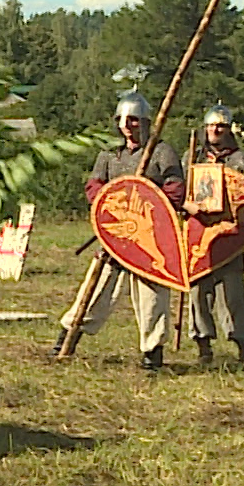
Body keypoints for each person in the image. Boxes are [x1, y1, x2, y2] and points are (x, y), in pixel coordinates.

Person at [54, 91, 185, 371]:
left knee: (151, 294)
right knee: (97, 288)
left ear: (146, 122)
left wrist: (149, 203)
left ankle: (153, 353)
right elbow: (94, 188)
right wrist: (114, 204)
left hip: (149, 235)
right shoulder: (109, 154)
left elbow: (175, 189)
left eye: (135, 120)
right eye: (124, 120)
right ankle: (68, 336)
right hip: (115, 234)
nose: (128, 125)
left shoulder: (162, 151)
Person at [187, 104, 244, 365]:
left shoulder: (240, 161)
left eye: (221, 126)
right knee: (198, 294)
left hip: (230, 235)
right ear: (205, 128)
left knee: (233, 295)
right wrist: (188, 206)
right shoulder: (192, 158)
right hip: (199, 235)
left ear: (229, 129)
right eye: (211, 125)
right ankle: (204, 348)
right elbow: (178, 193)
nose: (215, 130)